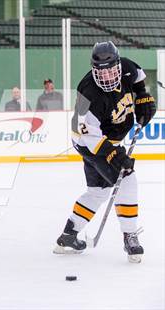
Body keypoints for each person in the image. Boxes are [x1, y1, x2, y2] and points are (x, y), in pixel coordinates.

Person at [54, 41, 156, 263]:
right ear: (94, 70)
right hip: (90, 143)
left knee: (97, 192)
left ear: (118, 65)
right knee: (127, 178)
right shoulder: (87, 93)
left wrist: (144, 97)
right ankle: (130, 236)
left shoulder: (128, 68)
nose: (108, 76)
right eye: (102, 72)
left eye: (111, 70)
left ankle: (68, 235)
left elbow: (139, 79)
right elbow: (88, 136)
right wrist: (114, 154)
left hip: (109, 138)